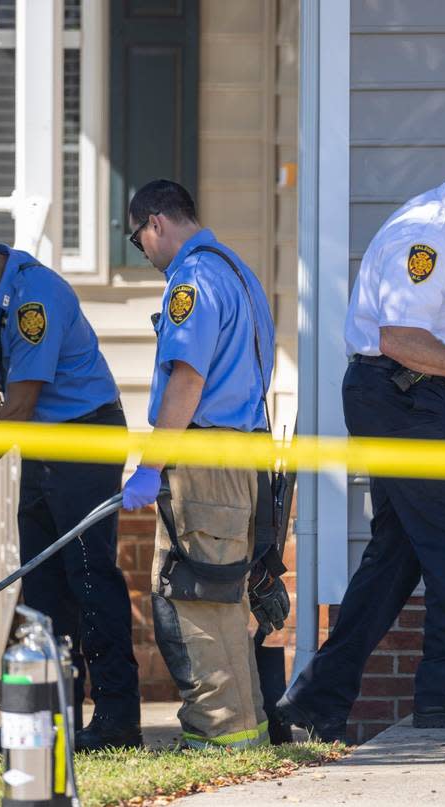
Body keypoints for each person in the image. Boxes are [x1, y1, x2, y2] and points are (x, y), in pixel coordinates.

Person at [277, 137, 445, 740]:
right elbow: (398, 337)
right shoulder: (428, 236)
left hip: (405, 399)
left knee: (398, 553)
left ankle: (315, 703)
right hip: (395, 396)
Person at [0, 231, 142, 751]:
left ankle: (117, 721)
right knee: (42, 586)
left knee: (89, 578)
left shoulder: (34, 299)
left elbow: (17, 407)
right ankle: (45, 720)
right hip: (45, 443)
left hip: (84, 436)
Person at [119, 179, 284, 749]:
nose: (145, 254)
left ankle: (221, 733)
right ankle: (247, 728)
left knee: (196, 595)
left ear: (156, 223)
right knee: (224, 594)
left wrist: (150, 463)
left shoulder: (190, 280)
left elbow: (188, 378)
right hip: (243, 456)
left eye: (140, 241)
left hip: (206, 457)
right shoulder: (236, 269)